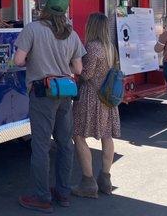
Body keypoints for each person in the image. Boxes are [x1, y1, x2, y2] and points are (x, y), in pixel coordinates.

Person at [14, 0, 86, 213]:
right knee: (65, 144)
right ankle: (63, 193)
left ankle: (41, 196)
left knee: (41, 146)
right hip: (65, 93)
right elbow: (78, 69)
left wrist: (36, 62)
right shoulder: (71, 34)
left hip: (42, 94)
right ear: (64, 11)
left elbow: (18, 61)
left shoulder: (33, 29)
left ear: (44, 8)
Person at [72, 13, 121, 198]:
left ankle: (88, 182)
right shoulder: (111, 47)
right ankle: (106, 179)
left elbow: (86, 75)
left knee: (78, 134)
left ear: (92, 27)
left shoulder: (92, 47)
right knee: (107, 136)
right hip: (108, 98)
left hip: (91, 97)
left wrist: (73, 68)